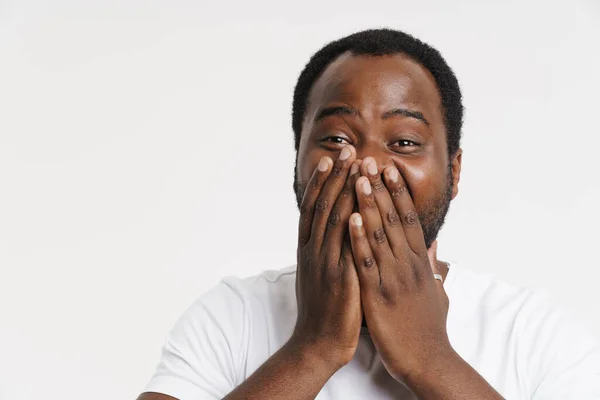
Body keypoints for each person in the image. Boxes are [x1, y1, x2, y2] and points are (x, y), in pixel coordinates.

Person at [137, 28, 600, 399]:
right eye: (337, 139)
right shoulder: (231, 316)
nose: (369, 167)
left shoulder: (534, 332)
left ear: (453, 173)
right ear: (296, 163)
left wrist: (429, 357)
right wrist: (313, 349)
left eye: (404, 143)